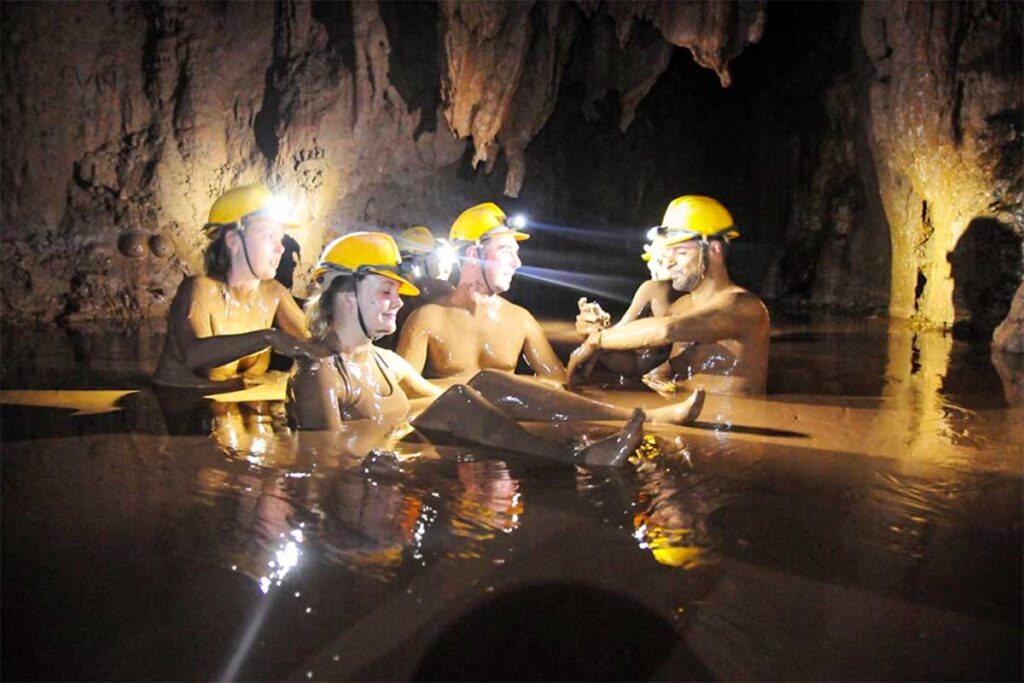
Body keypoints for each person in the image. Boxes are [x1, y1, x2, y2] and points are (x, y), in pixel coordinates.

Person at [287, 232, 706, 467]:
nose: (398, 302)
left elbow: (467, 393)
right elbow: (322, 462)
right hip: (386, 461)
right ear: (345, 297)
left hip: (403, 446)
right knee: (457, 401)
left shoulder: (384, 361)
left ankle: (646, 418)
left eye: (398, 293)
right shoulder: (319, 372)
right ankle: (575, 459)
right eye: (385, 292)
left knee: (484, 383)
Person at [567, 195, 770, 395]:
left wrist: (598, 341)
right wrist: (594, 332)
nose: (669, 263)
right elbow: (638, 364)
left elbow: (666, 330)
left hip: (731, 426)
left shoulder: (745, 307)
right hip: (683, 420)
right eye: (668, 252)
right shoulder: (680, 307)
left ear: (714, 249)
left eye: (681, 252)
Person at [154, 183, 323, 388]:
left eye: (281, 238)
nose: (280, 248)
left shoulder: (273, 294)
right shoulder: (199, 289)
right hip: (180, 404)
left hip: (235, 407)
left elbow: (316, 345)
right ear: (233, 240)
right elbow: (194, 355)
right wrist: (268, 337)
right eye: (269, 236)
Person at [395, 202, 567, 383]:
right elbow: (403, 393)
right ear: (472, 254)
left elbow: (557, 382)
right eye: (506, 251)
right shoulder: (426, 319)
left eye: (515, 253)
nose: (516, 262)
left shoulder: (521, 321)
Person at [575, 236, 682, 384]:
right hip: (659, 383)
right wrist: (597, 330)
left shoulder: (653, 289)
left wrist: (598, 337)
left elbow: (620, 337)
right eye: (651, 260)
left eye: (660, 260)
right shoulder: (654, 290)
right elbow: (636, 365)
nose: (651, 266)